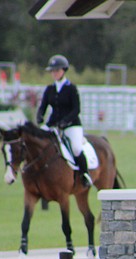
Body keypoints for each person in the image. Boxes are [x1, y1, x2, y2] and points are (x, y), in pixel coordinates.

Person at [36, 54, 91, 188]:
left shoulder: (71, 88)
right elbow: (43, 106)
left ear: (63, 70)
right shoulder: (49, 89)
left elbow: (76, 109)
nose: (54, 73)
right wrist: (40, 116)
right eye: (53, 71)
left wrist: (65, 122)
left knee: (77, 149)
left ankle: (84, 174)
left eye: (57, 70)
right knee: (37, 141)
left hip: (72, 125)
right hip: (53, 124)